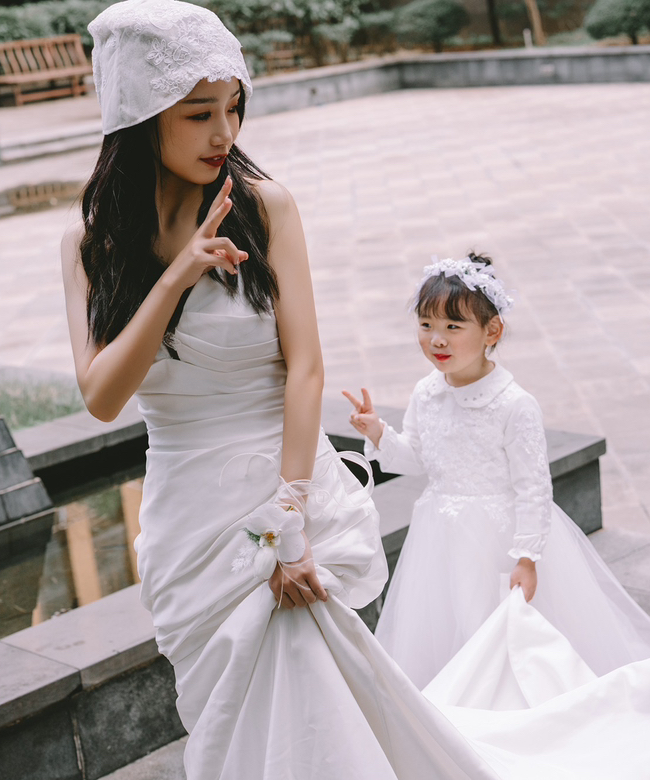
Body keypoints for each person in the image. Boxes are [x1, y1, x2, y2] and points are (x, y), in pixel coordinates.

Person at [63, 2, 499, 778]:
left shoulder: (265, 208)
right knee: (230, 722)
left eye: (233, 106)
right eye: (199, 113)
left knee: (312, 703)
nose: (224, 132)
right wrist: (176, 277)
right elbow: (102, 395)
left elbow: (306, 370)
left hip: (282, 488)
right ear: (139, 116)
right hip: (191, 519)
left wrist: (287, 522)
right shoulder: (90, 245)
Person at [343, 253, 650, 687]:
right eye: (426, 325)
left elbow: (533, 488)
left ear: (492, 331)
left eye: (453, 326)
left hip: (499, 539)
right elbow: (419, 458)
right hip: (439, 533)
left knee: (498, 629)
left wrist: (527, 558)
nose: (436, 339)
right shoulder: (426, 393)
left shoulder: (514, 404)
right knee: (448, 623)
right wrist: (378, 433)